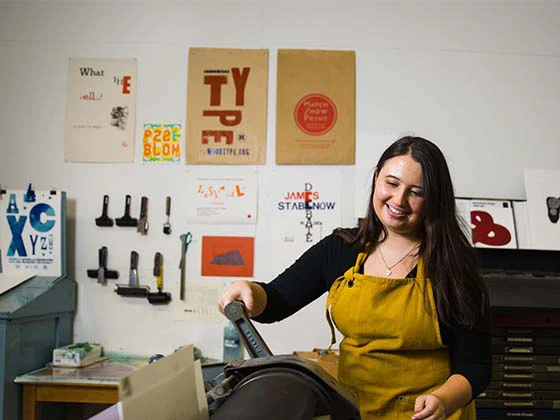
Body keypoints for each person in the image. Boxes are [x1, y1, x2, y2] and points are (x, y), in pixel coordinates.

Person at [218, 136, 492, 420]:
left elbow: (476, 365)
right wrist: (249, 291)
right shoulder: (341, 249)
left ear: (433, 199)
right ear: (376, 178)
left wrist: (443, 400)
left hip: (427, 415)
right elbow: (276, 301)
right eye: (392, 183)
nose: (399, 200)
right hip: (354, 411)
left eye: (416, 192)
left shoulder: (452, 266)